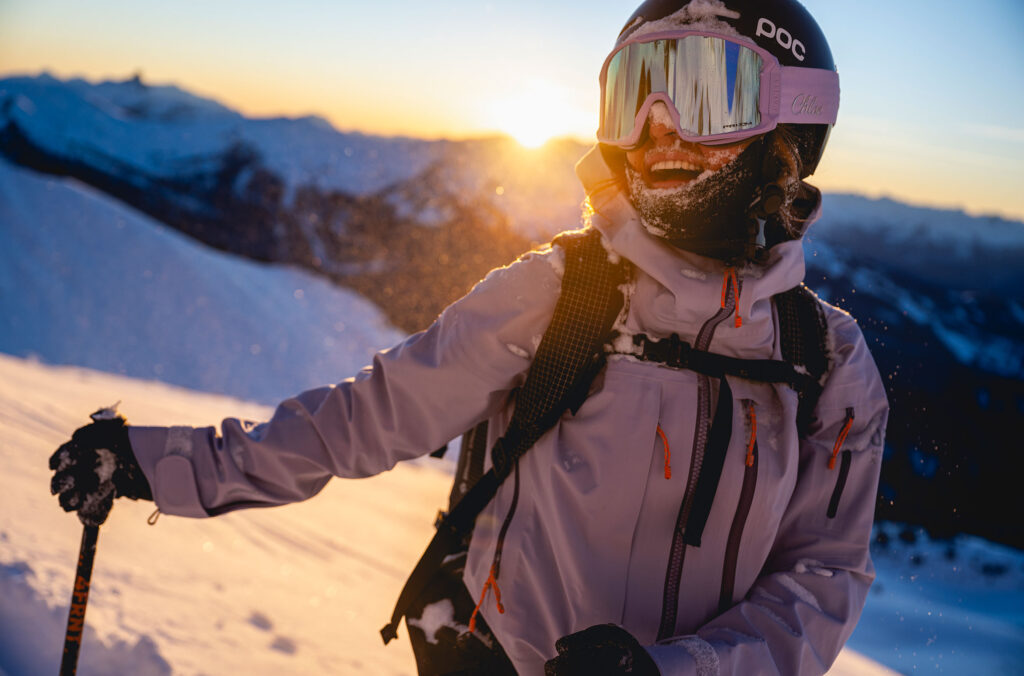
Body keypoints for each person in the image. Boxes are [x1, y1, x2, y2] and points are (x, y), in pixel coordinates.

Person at [50, 0, 889, 674]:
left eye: (707, 92)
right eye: (636, 92)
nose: (658, 126)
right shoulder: (568, 292)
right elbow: (366, 419)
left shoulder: (826, 364)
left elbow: (820, 578)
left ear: (790, 129)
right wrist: (159, 461)